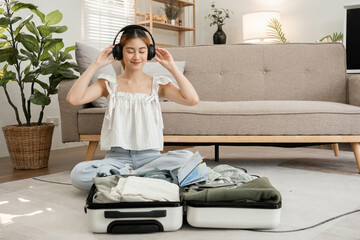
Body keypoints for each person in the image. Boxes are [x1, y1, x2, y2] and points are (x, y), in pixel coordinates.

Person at [66, 25, 199, 190]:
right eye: (130, 50)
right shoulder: (108, 83)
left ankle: (126, 180)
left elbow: (192, 99)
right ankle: (147, 179)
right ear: (120, 51)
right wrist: (95, 65)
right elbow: (73, 99)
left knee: (187, 159)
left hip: (151, 158)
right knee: (78, 174)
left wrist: (171, 67)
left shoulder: (159, 84)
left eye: (142, 51)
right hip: (116, 159)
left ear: (149, 53)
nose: (137, 56)